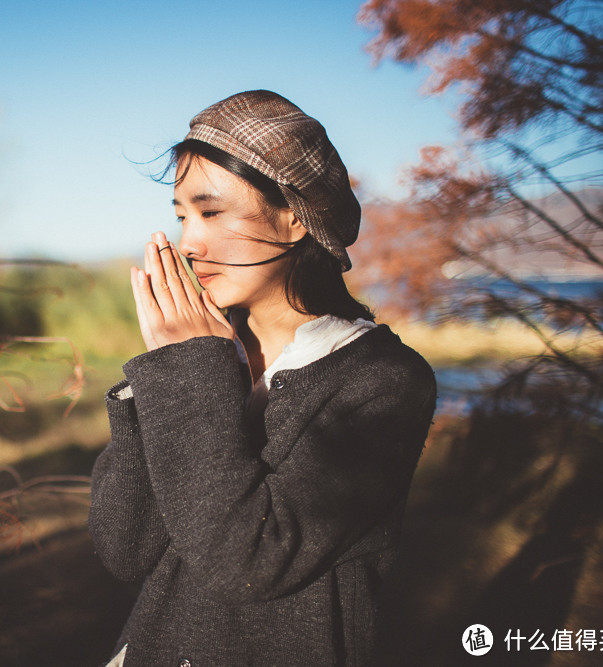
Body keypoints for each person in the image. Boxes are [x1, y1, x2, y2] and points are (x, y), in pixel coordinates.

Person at [88, 90, 437, 666]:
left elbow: (249, 562)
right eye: (180, 216)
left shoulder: (382, 380)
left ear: (294, 217)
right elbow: (126, 550)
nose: (189, 244)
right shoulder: (204, 360)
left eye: (211, 211)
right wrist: (163, 379)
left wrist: (189, 374)